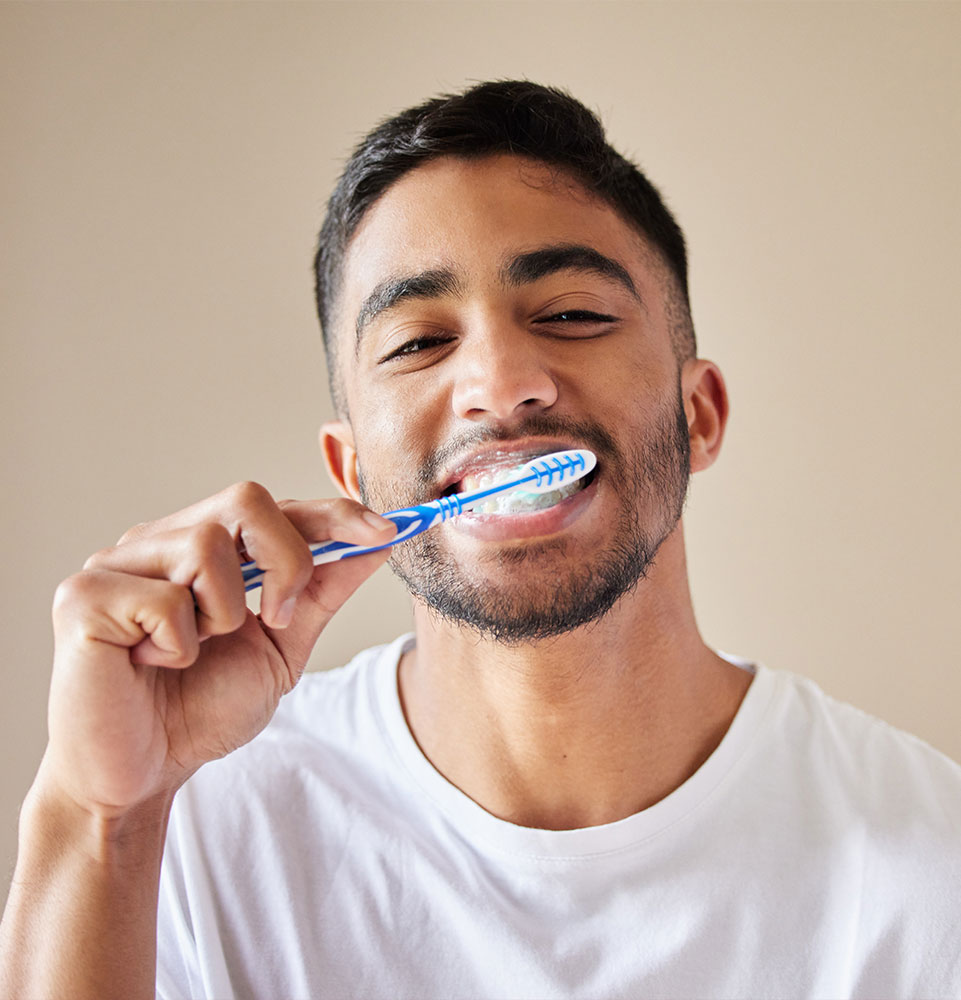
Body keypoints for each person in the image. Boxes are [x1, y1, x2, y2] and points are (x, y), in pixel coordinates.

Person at [1, 80, 959, 1000]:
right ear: (351, 473)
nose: (501, 383)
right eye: (417, 342)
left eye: (573, 314)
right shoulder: (189, 830)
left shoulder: (929, 866)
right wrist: (98, 818)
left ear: (698, 413)